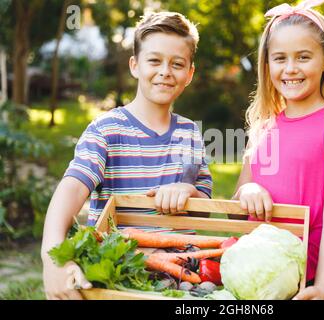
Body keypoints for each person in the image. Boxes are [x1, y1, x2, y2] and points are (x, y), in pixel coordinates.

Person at [41, 11, 212, 300]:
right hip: (120, 273)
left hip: (182, 275)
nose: (165, 71)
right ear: (135, 65)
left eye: (177, 64)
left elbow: (205, 207)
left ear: (190, 74)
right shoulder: (106, 130)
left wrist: (188, 190)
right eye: (154, 61)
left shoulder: (190, 134)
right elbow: (71, 189)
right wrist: (51, 257)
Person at [231, 1, 324, 300]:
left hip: (323, 278)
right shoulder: (263, 128)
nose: (290, 68)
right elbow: (238, 203)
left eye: (303, 57)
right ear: (267, 65)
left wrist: (323, 286)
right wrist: (249, 190)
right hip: (265, 278)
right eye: (279, 58)